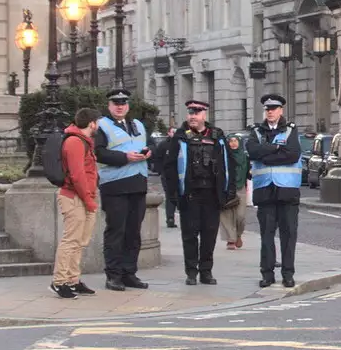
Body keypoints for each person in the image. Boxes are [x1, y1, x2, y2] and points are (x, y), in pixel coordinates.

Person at [153, 100, 237, 286]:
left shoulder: (217, 135)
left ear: (204, 115)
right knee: (190, 235)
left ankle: (206, 271)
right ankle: (191, 272)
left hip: (212, 194)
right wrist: (173, 193)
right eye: (190, 112)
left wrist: (229, 190)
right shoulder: (181, 136)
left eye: (197, 113)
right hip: (189, 194)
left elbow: (228, 164)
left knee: (209, 234)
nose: (193, 116)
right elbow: (170, 167)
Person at [93, 89, 151, 291]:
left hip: (138, 183)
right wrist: (125, 158)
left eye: (123, 103)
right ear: (109, 106)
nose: (120, 106)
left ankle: (129, 272)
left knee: (133, 232)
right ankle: (113, 275)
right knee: (116, 231)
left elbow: (145, 144)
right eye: (116, 103)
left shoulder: (138, 125)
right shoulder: (102, 126)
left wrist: (147, 152)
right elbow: (98, 153)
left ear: (128, 105)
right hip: (115, 185)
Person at [245, 94, 303, 288]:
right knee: (267, 235)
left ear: (281, 111)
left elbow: (293, 154)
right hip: (265, 191)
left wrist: (267, 155)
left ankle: (288, 273)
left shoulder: (291, 131)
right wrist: (276, 150)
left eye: (274, 108)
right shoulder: (256, 132)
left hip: (287, 191)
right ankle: (267, 274)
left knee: (288, 234)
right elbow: (253, 151)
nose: (270, 112)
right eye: (268, 109)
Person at [50, 108, 102, 299]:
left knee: (80, 242)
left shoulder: (84, 141)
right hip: (73, 196)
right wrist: (88, 200)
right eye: (98, 122)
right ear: (92, 123)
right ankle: (59, 281)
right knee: (71, 241)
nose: (98, 125)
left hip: (83, 196)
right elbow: (77, 175)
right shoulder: (74, 141)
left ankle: (72, 280)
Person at [221, 128, 252, 250]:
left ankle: (238, 234)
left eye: (235, 141)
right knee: (226, 215)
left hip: (240, 188)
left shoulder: (245, 157)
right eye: (230, 141)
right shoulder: (224, 157)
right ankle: (231, 239)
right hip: (226, 188)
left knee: (240, 216)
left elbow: (249, 174)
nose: (233, 143)